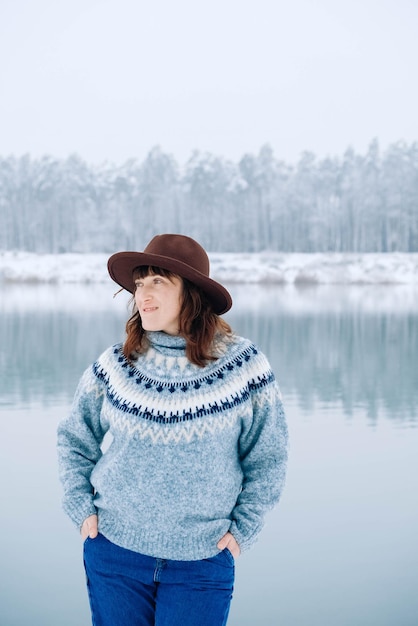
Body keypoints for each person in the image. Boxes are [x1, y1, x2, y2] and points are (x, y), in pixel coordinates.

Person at [57, 233, 288, 626]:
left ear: (192, 293)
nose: (142, 294)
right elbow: (75, 438)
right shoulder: (116, 363)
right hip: (114, 552)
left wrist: (243, 530)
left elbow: (268, 456)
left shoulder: (244, 365)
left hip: (202, 561)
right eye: (140, 283)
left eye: (158, 282)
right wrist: (82, 509)